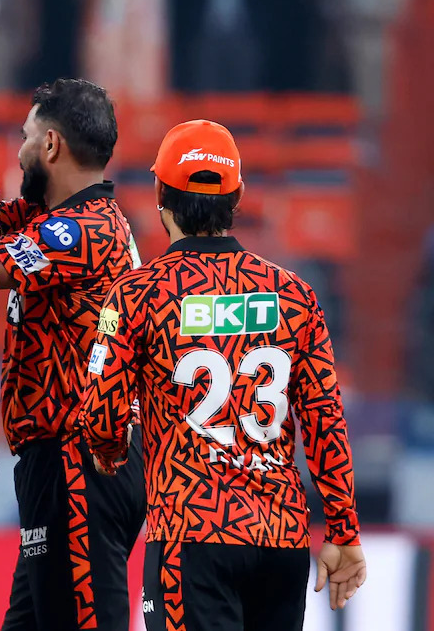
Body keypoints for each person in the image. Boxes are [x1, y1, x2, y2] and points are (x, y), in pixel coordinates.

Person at [80, 120, 368, 629]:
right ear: (237, 197)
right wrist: (343, 531)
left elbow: (100, 417)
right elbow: (326, 420)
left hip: (190, 532)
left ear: (159, 194)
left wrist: (110, 454)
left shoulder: (137, 293)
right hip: (280, 539)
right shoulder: (294, 294)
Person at [0, 79, 145, 631]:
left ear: (51, 144)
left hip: (79, 458)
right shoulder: (79, 219)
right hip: (66, 459)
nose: (19, 151)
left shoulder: (78, 230)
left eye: (25, 137)